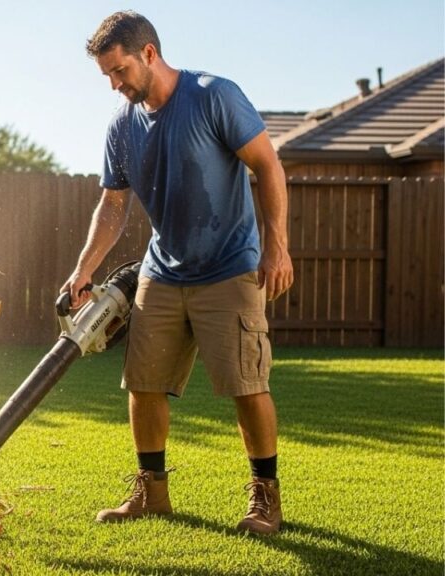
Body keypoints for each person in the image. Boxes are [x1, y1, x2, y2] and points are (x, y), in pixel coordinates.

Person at [63, 11, 294, 535]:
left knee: (246, 384)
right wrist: (83, 270)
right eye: (107, 77)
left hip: (230, 267)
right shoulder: (122, 126)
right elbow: (113, 205)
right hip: (162, 271)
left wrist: (277, 247)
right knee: (143, 384)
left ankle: (266, 498)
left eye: (119, 71)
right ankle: (152, 493)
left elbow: (268, 166)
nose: (115, 85)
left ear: (148, 53)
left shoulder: (214, 95)